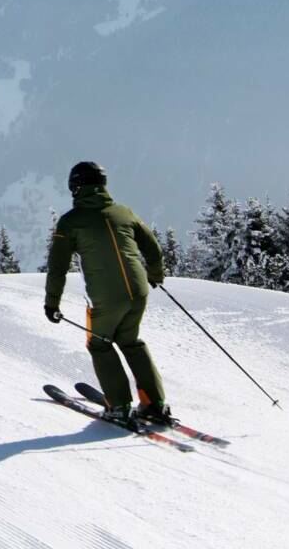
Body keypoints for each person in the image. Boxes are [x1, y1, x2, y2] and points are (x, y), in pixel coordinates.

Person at [44, 160, 171, 427]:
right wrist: (155, 276)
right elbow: (154, 249)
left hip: (106, 299)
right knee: (131, 342)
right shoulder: (124, 212)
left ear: (75, 187)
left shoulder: (70, 222)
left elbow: (57, 268)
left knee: (99, 344)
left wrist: (52, 303)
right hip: (139, 293)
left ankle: (119, 406)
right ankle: (154, 404)